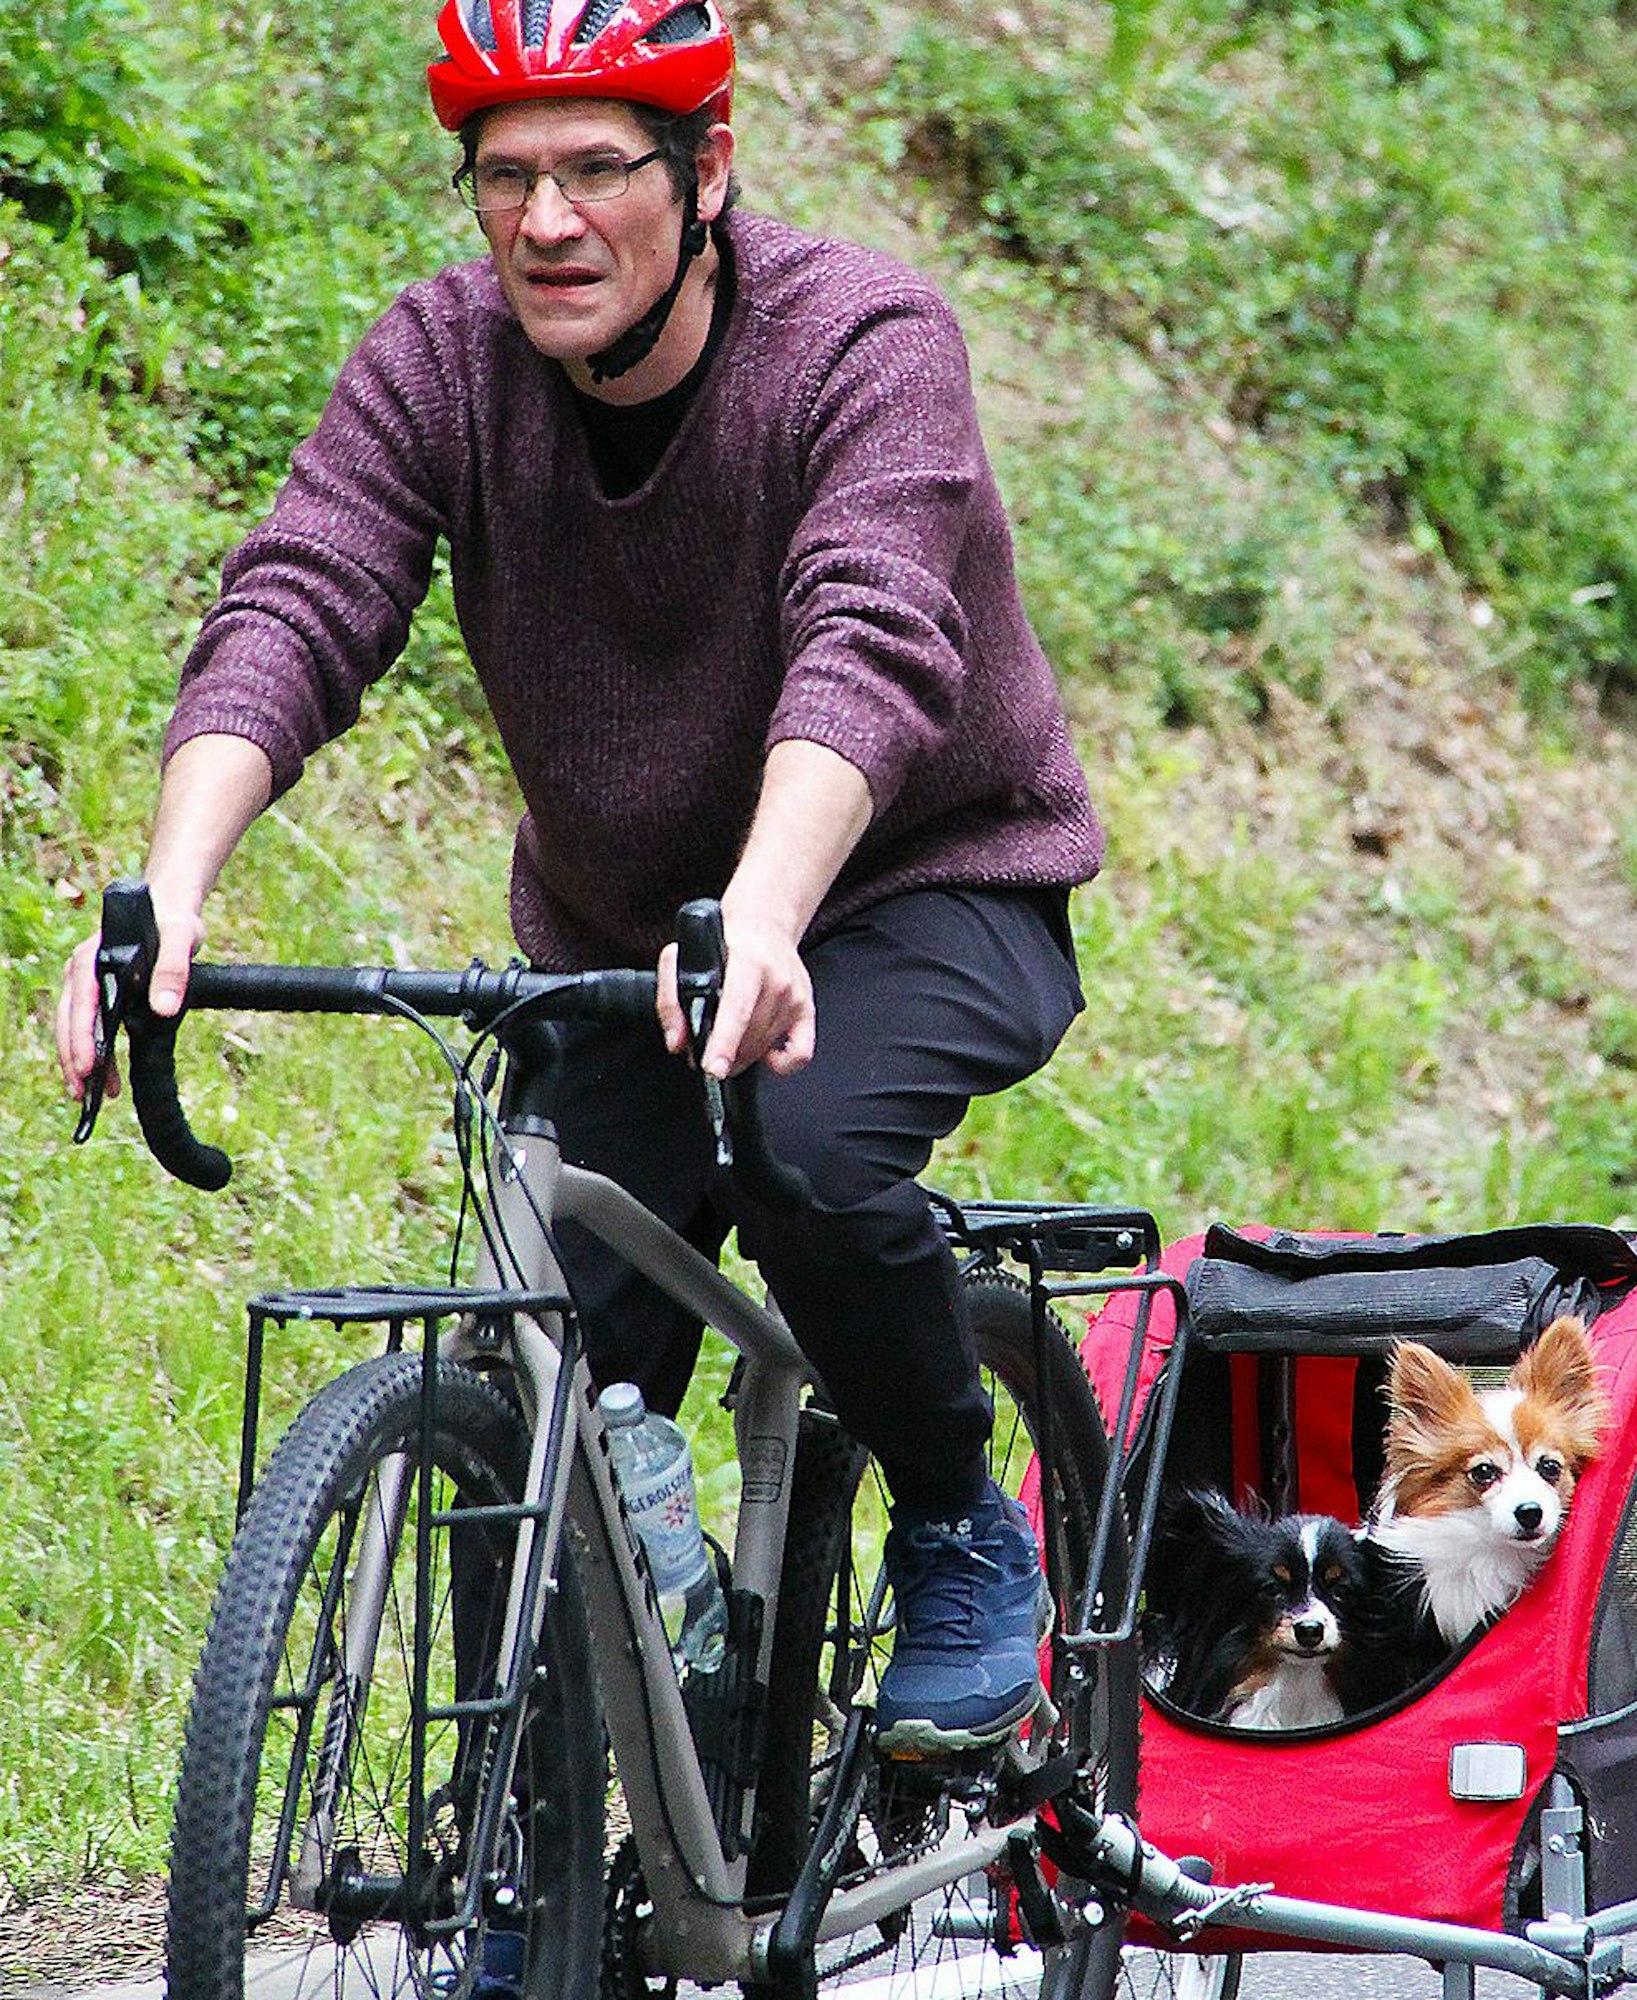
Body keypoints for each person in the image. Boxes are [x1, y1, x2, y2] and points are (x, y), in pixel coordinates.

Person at [55, 0, 1103, 1758]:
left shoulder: (863, 339)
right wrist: (168, 891)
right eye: (505, 175)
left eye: (599, 169)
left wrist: (767, 907)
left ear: (705, 177)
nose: (547, 221)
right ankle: (518, 1889)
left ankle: (951, 1519)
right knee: (531, 1376)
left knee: (814, 1150)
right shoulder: (443, 360)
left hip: (923, 884)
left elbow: (871, 634)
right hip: (635, 946)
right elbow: (303, 596)